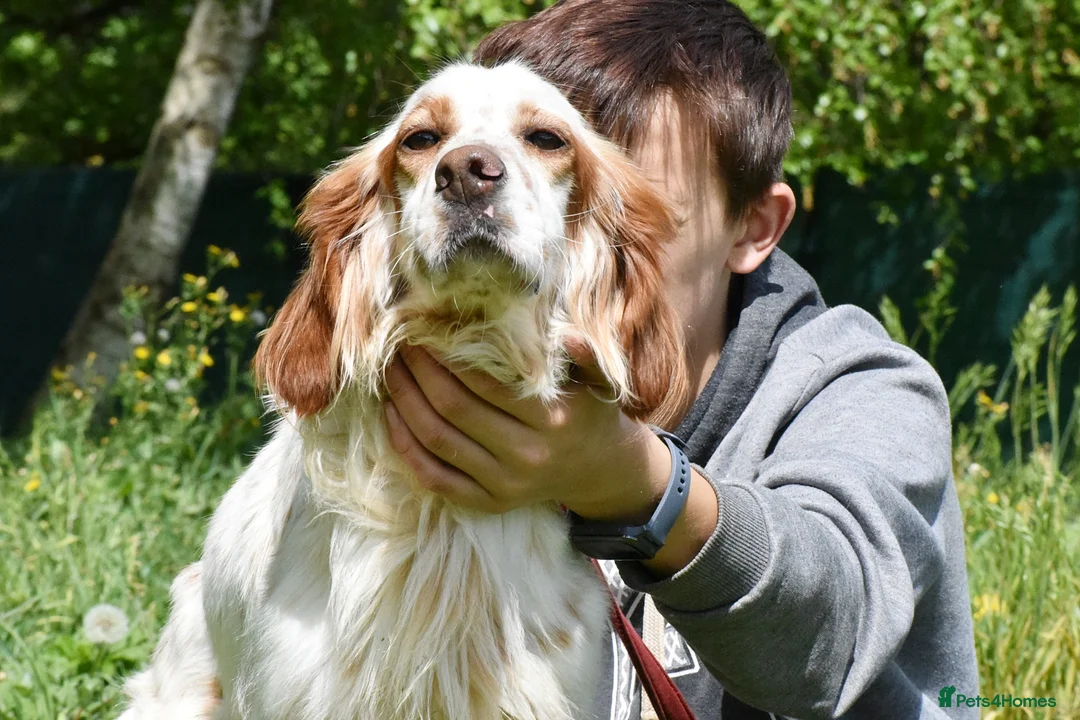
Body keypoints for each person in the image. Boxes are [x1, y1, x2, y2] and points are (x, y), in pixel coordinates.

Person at [381, 1, 980, 718]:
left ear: (754, 228)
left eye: (642, 216)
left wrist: (634, 488)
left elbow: (824, 640)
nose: (579, 245)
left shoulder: (866, 391)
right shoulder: (436, 404)